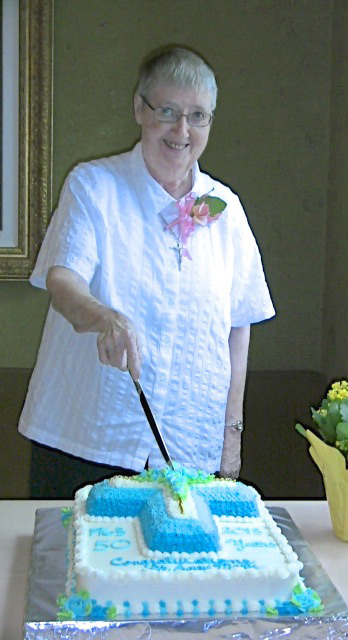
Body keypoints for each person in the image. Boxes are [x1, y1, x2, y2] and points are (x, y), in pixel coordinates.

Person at [19, 46, 275, 497]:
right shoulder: (93, 186)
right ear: (139, 108)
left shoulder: (226, 209)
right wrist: (105, 318)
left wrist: (231, 435)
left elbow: (239, 326)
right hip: (87, 440)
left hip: (187, 449)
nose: (182, 130)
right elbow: (63, 280)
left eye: (198, 116)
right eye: (167, 111)